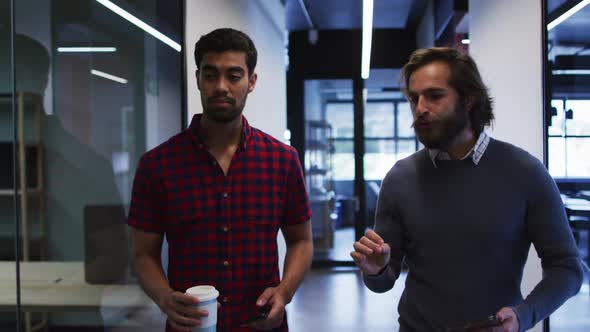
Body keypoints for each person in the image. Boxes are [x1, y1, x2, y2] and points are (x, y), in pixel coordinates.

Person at [351, 47, 583, 331]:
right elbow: (383, 279)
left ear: (469, 99)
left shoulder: (525, 172)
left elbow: (567, 269)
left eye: (434, 96)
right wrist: (375, 271)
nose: (420, 108)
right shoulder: (400, 178)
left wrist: (523, 315)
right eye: (414, 98)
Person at [127, 28, 313, 332]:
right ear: (198, 78)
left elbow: (301, 241)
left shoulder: (282, 161)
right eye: (210, 75)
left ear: (251, 82)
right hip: (190, 326)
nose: (221, 87)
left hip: (261, 324)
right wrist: (164, 298)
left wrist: (285, 292)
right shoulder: (157, 165)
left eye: (234, 76)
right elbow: (144, 253)